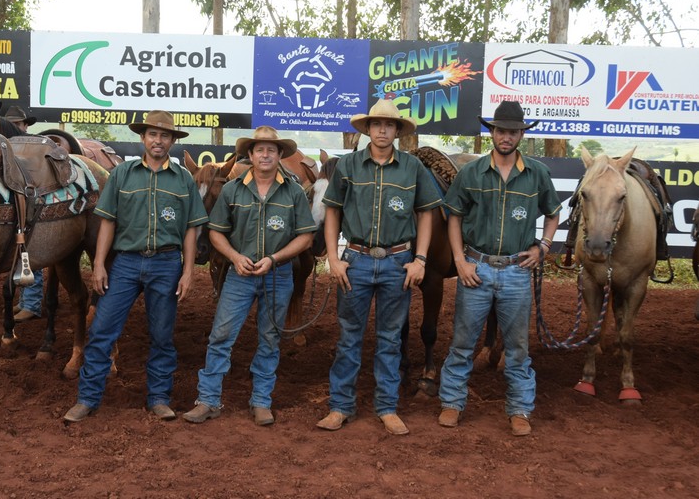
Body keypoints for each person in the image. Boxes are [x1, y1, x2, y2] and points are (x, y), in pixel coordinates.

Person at [63, 110, 208, 423]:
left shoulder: (183, 178)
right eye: (153, 134)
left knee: (162, 335)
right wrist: (98, 264)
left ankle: (159, 398)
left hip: (166, 263)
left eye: (165, 135)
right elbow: (107, 222)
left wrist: (188, 271)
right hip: (126, 262)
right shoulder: (122, 174)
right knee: (101, 330)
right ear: (143, 137)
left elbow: (190, 229)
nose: (158, 140)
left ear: (172, 141)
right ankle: (87, 398)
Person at [316, 99, 441, 435]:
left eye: (389, 125)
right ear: (368, 129)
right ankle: (340, 406)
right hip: (355, 260)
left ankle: (387, 407)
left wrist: (420, 259)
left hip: (398, 262)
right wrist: (333, 258)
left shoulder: (413, 167)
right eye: (377, 124)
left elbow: (426, 212)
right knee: (349, 337)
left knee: (390, 338)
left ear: (397, 131)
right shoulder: (348, 166)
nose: (383, 130)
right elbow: (332, 211)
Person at [437, 100, 561, 437]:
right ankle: (452, 402)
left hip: (516, 270)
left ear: (522, 135)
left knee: (518, 347)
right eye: (501, 130)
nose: (506, 137)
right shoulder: (471, 172)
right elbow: (454, 216)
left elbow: (553, 213)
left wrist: (544, 246)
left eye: (513, 132)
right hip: (476, 267)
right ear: (492, 132)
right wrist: (460, 260)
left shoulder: (537, 173)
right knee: (463, 341)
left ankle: (519, 409)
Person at [182, 126, 317, 427]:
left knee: (269, 338)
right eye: (259, 149)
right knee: (221, 336)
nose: (265, 154)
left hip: (278, 275)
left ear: (279, 155)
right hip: (239, 275)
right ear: (251, 155)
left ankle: (261, 401)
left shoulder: (294, 192)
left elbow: (306, 237)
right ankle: (208, 399)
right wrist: (234, 257)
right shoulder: (232, 190)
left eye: (271, 150)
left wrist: (274, 258)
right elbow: (216, 232)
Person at [2, 104, 44, 323]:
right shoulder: (11, 148)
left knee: (31, 250)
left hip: (33, 206)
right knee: (21, 251)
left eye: (19, 124)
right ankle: (27, 300)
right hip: (21, 205)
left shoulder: (32, 147)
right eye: (14, 124)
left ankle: (32, 303)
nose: (18, 128)